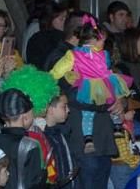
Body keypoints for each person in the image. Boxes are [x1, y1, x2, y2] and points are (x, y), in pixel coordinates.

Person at [49, 14, 131, 152]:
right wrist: (108, 103)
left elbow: (107, 73)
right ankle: (89, 139)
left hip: (104, 136)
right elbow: (72, 95)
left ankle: (115, 125)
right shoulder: (66, 56)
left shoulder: (101, 54)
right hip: (79, 139)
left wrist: (120, 101)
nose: (102, 43)